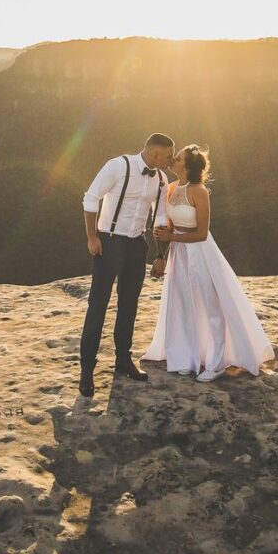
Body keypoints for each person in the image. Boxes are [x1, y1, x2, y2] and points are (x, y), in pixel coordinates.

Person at [142, 145, 275, 382]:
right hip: (179, 255)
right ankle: (187, 357)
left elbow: (202, 233)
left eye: (179, 157)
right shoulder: (170, 189)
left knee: (210, 306)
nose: (173, 158)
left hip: (200, 252)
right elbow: (167, 227)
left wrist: (171, 238)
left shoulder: (199, 192)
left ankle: (217, 362)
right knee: (182, 304)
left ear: (188, 166)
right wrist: (161, 254)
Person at [77, 132, 174, 398]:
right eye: (167, 156)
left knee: (129, 305)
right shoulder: (118, 166)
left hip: (136, 244)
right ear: (154, 154)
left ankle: (123, 360)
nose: (171, 160)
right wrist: (92, 236)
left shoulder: (163, 179)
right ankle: (87, 370)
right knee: (98, 305)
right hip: (108, 242)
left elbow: (161, 217)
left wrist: (160, 254)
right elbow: (91, 197)